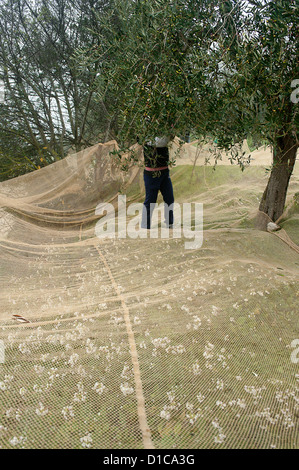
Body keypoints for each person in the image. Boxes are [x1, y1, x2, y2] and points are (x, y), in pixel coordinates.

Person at [140, 135, 174, 229]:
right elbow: (159, 142)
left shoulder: (164, 133)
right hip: (151, 175)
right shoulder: (147, 135)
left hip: (164, 173)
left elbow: (167, 139)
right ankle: (145, 226)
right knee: (150, 201)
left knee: (169, 198)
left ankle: (170, 223)